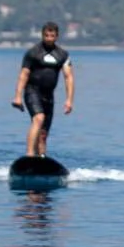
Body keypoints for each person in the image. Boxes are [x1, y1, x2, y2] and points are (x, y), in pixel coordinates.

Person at [11, 21, 74, 157]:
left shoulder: (63, 55)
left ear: (57, 36)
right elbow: (24, 74)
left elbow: (68, 77)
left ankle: (41, 159)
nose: (49, 39)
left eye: (52, 36)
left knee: (43, 134)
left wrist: (69, 100)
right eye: (46, 36)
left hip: (48, 96)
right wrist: (17, 96)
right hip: (32, 91)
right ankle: (29, 155)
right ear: (42, 35)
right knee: (38, 119)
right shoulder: (33, 53)